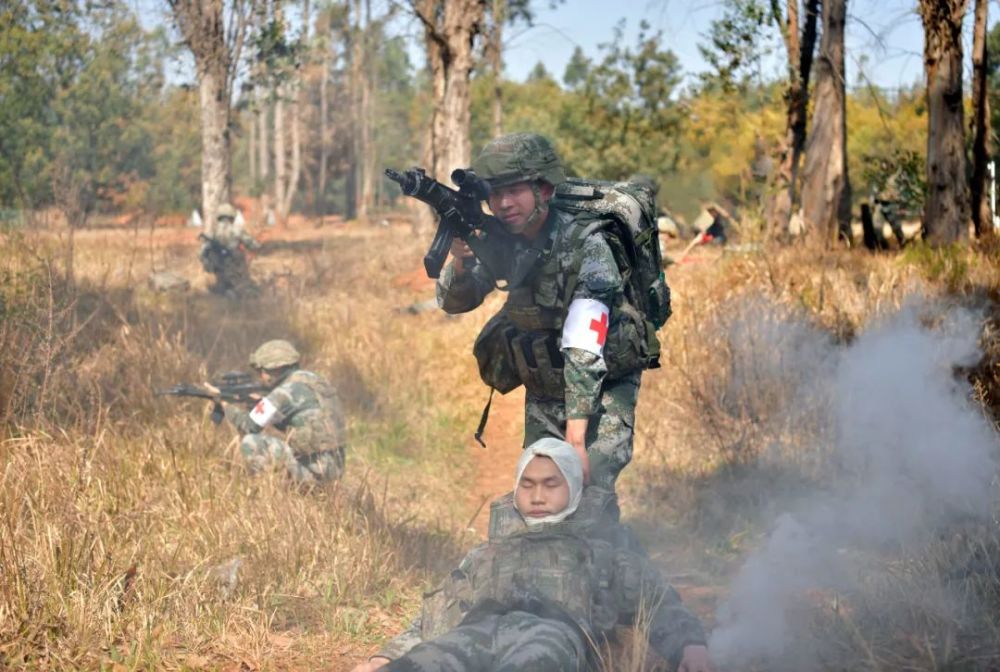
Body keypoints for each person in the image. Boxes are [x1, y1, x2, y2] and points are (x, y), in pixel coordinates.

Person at [350, 438, 713, 672]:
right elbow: (435, 616)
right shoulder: (485, 553)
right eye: (528, 484)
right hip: (477, 630)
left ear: (572, 489)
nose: (537, 495)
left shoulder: (599, 552)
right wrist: (386, 657)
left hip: (553, 633)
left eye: (550, 484)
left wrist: (691, 646)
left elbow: (658, 602)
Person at [437, 133, 654, 490]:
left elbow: (586, 338)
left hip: (602, 384)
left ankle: (614, 548)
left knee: (589, 493)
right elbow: (455, 301)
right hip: (544, 383)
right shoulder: (504, 237)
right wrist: (461, 263)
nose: (504, 203)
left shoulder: (589, 242)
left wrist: (577, 441)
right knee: (545, 493)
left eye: (515, 190)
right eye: (495, 193)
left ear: (545, 189)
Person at [207, 339, 347, 483]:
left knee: (251, 443)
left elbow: (249, 426)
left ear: (276, 369)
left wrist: (225, 404)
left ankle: (264, 491)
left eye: (263, 370)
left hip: (314, 472)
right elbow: (300, 418)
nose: (261, 376)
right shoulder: (314, 380)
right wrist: (257, 403)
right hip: (335, 468)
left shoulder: (284, 393)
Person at [199, 203, 261, 295]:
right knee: (244, 287)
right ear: (232, 216)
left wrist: (208, 264)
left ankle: (225, 291)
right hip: (234, 264)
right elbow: (253, 244)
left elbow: (202, 252)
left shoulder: (212, 232)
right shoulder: (237, 230)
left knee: (223, 285)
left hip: (217, 265)